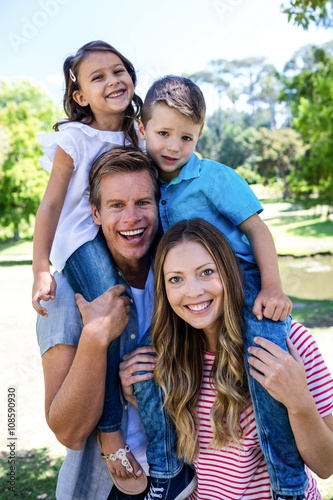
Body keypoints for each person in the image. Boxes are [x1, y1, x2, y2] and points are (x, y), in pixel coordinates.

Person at [137, 75, 305, 499]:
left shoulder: (212, 178)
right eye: (163, 134)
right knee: (143, 364)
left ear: (199, 138)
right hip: (193, 290)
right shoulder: (150, 184)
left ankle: (285, 480)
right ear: (142, 128)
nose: (173, 146)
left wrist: (272, 288)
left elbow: (258, 230)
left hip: (243, 284)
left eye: (186, 137)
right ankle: (168, 470)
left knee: (265, 359)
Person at [36, 147, 196, 499]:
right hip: (106, 485)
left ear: (159, 205)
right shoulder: (65, 294)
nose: (132, 219)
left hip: (189, 474)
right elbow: (69, 432)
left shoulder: (181, 279)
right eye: (116, 205)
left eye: (142, 202)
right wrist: (95, 337)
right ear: (95, 213)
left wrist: (144, 387)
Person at [140, 218, 332, 499]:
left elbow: (326, 465)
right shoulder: (166, 356)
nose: (193, 291)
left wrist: (298, 400)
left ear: (229, 273)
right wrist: (131, 387)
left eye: (206, 272)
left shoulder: (289, 344)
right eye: (176, 279)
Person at [31, 40, 147, 493]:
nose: (112, 80)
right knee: (113, 311)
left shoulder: (140, 133)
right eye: (97, 77)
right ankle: (111, 430)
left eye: (118, 70)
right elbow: (52, 204)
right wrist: (41, 266)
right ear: (79, 96)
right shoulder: (76, 138)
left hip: (122, 237)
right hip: (83, 241)